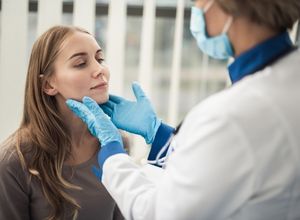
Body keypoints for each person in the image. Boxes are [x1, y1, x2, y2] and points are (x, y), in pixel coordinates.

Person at [67, 0, 300, 219]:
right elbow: (217, 171)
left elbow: (160, 213)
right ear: (47, 83)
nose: (196, 9)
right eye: (80, 63)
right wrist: (158, 134)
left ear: (225, 5)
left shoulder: (231, 118)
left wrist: (113, 156)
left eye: (198, 2)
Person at [0, 25, 124, 220]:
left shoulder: (115, 144)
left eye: (100, 59)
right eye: (81, 63)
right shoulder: (14, 161)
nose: (100, 70)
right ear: (48, 84)